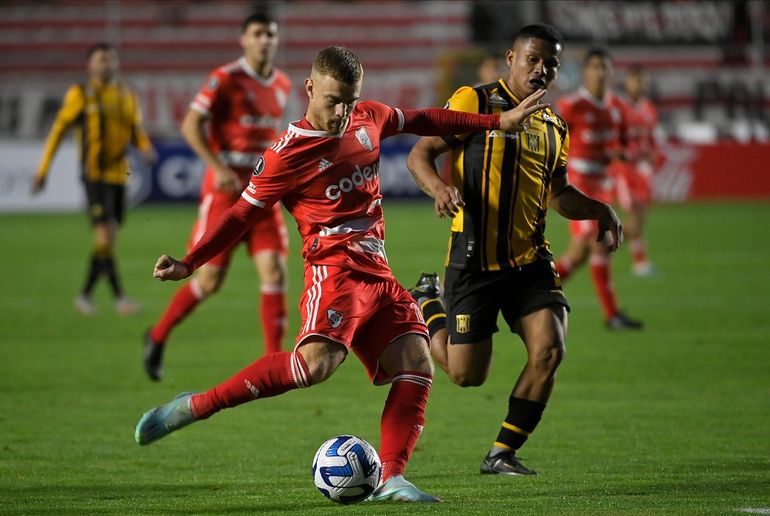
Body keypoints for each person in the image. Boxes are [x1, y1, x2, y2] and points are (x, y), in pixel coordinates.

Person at [134, 46, 547, 502]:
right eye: (333, 100)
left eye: (350, 100)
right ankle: (196, 406)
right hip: (333, 272)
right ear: (310, 89)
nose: (342, 112)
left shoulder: (367, 118)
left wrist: (496, 122)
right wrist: (189, 262)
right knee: (313, 367)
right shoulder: (285, 155)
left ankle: (390, 478)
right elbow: (240, 216)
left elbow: (425, 119)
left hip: (378, 272)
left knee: (417, 362)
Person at [405, 24, 623, 476]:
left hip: (529, 260)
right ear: (511, 57)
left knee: (549, 350)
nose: (541, 70)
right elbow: (420, 154)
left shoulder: (554, 126)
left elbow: (557, 195)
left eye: (551, 64)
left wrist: (598, 208)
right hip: (474, 259)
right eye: (533, 60)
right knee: (467, 375)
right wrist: (439, 188)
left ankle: (501, 452)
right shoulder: (474, 102)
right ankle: (428, 298)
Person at [143, 13, 292, 381]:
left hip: (263, 191)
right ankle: (157, 335)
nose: (265, 41)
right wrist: (217, 165)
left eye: (270, 35)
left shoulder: (284, 84)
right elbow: (190, 124)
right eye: (257, 34)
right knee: (209, 281)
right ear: (243, 39)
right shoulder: (225, 79)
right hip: (225, 193)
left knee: (274, 270)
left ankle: (273, 365)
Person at [32, 43, 156, 316]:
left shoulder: (126, 94)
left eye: (110, 60)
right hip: (94, 176)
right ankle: (120, 299)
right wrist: (43, 171)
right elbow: (57, 132)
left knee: (108, 241)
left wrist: (145, 146)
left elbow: (136, 129)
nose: (106, 65)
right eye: (100, 61)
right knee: (104, 237)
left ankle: (86, 295)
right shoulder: (80, 94)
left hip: (119, 176)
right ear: (89, 66)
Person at [554, 48, 642, 330]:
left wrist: (623, 154)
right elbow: (554, 143)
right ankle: (531, 296)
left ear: (612, 72)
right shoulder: (572, 105)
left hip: (603, 185)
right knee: (586, 244)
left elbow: (626, 142)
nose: (600, 73)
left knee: (592, 250)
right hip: (577, 183)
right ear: (585, 72)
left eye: (605, 67)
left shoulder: (617, 107)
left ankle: (611, 314)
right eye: (594, 67)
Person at [611, 67, 660, 277]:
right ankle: (604, 245)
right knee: (635, 215)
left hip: (642, 171)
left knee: (641, 217)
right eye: (636, 81)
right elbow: (612, 137)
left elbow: (650, 139)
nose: (639, 85)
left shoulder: (649, 108)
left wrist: (652, 154)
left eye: (643, 81)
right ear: (628, 83)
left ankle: (634, 259)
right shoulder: (619, 107)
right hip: (624, 170)